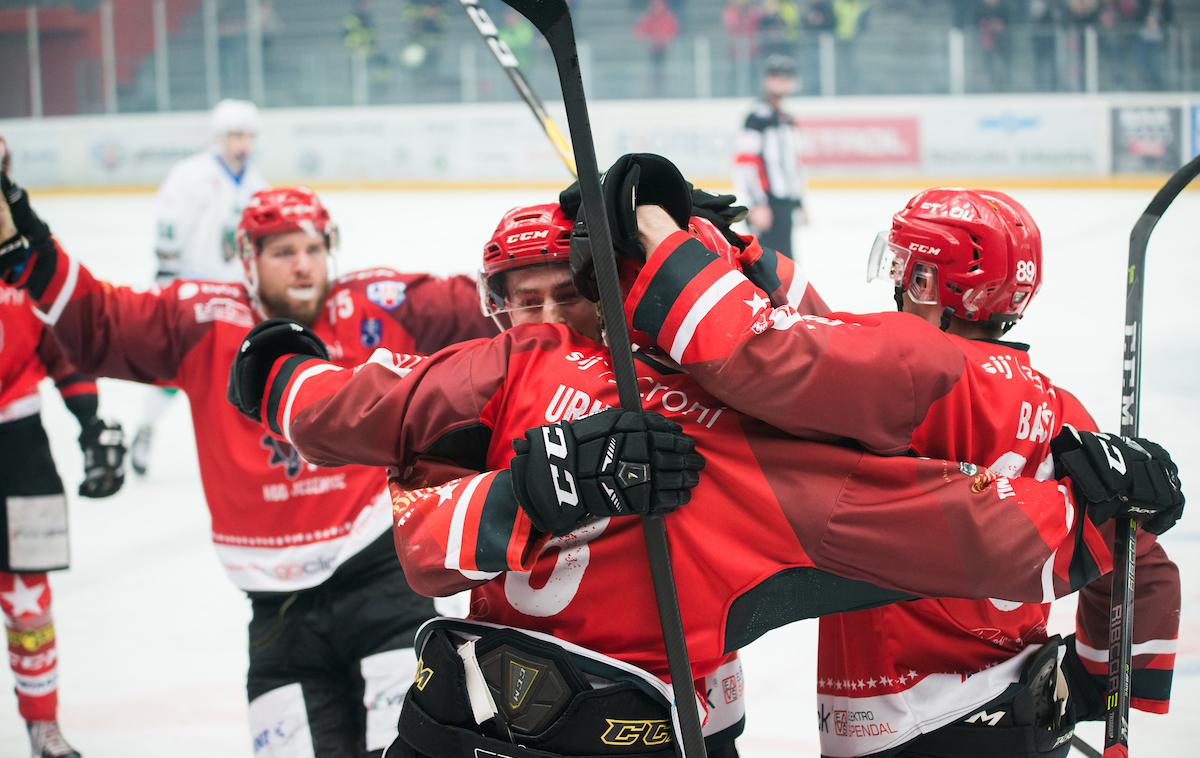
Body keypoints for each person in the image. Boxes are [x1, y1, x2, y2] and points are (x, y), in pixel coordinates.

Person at [225, 156, 1182, 757]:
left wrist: (688, 243)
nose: (548, 317)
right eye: (521, 296)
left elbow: (775, 345)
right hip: (498, 721)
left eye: (567, 290)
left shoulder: (713, 412)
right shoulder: (534, 372)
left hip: (695, 725)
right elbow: (421, 542)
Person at [616, 181, 1182, 756]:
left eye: (903, 266)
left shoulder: (915, 373)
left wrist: (680, 259)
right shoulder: (1059, 408)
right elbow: (1139, 559)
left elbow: (784, 361)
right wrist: (1099, 680)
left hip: (913, 720)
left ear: (926, 281)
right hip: (1023, 720)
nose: (894, 281)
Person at [0, 180, 498, 757]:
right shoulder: (201, 320)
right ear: (248, 260)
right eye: (283, 253)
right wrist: (29, 241)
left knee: (415, 750)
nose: (304, 265)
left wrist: (595, 255)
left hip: (382, 588)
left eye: (313, 248)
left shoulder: (382, 302)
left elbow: (507, 303)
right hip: (276, 615)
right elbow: (97, 323)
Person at [1, 139, 126, 758]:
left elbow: (63, 349)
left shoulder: (24, 263)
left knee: (28, 598)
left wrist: (90, 425)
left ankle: (41, 725)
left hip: (22, 447)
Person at [131, 98, 269, 477]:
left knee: (238, 370)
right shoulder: (191, 174)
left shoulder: (256, 181)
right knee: (177, 368)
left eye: (247, 136)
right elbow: (169, 223)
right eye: (235, 136)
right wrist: (166, 273)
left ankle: (240, 449)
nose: (242, 144)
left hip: (234, 293)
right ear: (220, 137)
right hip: (192, 288)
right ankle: (146, 428)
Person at [733, 55, 807, 260]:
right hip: (766, 204)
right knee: (767, 269)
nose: (781, 81)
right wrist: (756, 204)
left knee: (786, 267)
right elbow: (745, 162)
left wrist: (798, 202)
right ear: (767, 80)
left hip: (783, 203)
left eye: (786, 76)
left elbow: (792, 165)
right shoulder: (757, 117)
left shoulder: (786, 118)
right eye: (776, 76)